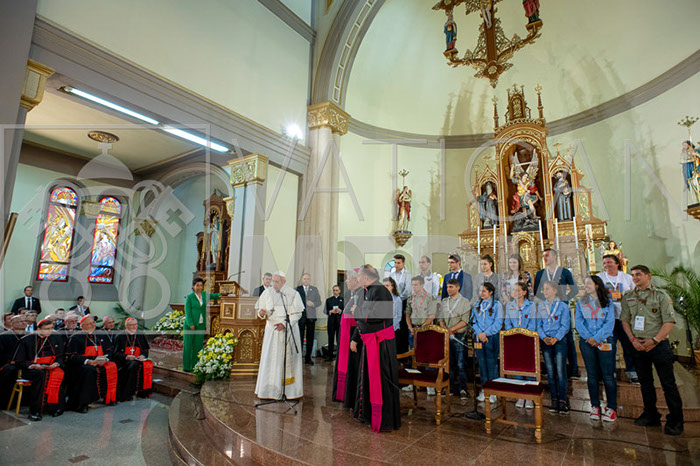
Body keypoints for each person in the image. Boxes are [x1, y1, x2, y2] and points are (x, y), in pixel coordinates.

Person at [621, 265, 683, 436]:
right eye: (633, 275)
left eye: (638, 275)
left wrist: (655, 340)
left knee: (668, 384)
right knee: (645, 382)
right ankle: (650, 414)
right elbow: (625, 320)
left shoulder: (661, 296)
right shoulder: (628, 297)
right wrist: (633, 340)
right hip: (638, 345)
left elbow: (669, 322)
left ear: (648, 276)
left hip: (658, 345)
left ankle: (676, 420)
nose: (635, 278)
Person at [350, 265, 400, 433]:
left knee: (381, 381)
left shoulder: (380, 291)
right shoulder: (369, 290)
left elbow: (376, 315)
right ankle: (368, 414)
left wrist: (356, 311)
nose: (357, 280)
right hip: (371, 342)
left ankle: (383, 419)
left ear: (366, 277)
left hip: (381, 345)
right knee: (368, 379)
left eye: (359, 277)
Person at [254, 271, 305, 400]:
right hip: (272, 331)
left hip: (287, 330)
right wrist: (261, 313)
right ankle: (269, 392)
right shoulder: (267, 293)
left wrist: (285, 324)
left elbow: (298, 313)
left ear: (283, 282)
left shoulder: (293, 294)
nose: (273, 284)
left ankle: (290, 392)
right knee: (271, 361)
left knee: (286, 362)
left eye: (276, 282)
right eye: (273, 281)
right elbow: (260, 311)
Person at [576, 276, 617, 422]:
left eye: (589, 283)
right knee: (592, 375)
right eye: (585, 283)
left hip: (604, 341)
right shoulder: (582, 302)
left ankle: (611, 408)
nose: (586, 286)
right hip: (587, 342)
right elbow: (579, 322)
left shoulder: (608, 302)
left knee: (608, 375)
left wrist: (597, 338)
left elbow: (609, 323)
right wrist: (589, 338)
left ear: (597, 285)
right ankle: (595, 406)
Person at [534, 249, 579, 379]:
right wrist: (545, 302)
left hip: (561, 308)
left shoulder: (564, 272)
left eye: (547, 255)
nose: (545, 258)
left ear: (555, 256)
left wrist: (565, 299)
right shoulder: (540, 273)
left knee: (567, 337)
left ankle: (573, 368)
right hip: (547, 309)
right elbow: (536, 291)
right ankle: (549, 368)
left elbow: (575, 289)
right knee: (546, 338)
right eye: (543, 256)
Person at [14, 318, 66, 420]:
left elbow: (60, 356)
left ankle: (54, 407)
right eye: (46, 329)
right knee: (40, 374)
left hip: (50, 367)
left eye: (51, 328)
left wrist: (57, 363)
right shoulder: (26, 340)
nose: (50, 331)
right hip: (31, 370)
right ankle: (35, 410)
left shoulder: (56, 338)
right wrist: (34, 365)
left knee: (60, 372)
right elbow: (19, 361)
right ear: (38, 329)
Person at [597, 254, 637, 384]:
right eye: (604, 263)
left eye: (609, 262)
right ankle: (610, 373)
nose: (606, 265)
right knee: (609, 347)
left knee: (629, 346)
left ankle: (632, 373)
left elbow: (635, 294)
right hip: (607, 318)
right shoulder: (600, 278)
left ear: (617, 263)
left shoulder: (627, 278)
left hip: (625, 317)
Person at [66, 316, 119, 413]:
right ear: (81, 326)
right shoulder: (75, 337)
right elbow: (71, 356)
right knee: (89, 370)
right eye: (89, 324)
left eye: (93, 323)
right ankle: (83, 404)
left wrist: (106, 359)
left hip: (101, 362)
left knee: (112, 366)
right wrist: (88, 361)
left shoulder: (100, 334)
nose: (92, 325)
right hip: (83, 364)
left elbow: (109, 350)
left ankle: (109, 398)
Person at [537, 280, 571, 414]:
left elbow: (565, 325)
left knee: (560, 371)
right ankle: (554, 400)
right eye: (544, 289)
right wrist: (544, 337)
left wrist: (556, 338)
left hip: (559, 340)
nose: (545, 291)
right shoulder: (541, 306)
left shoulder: (562, 306)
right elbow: (538, 324)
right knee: (550, 372)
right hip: (546, 341)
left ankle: (563, 400)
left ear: (555, 291)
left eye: (547, 289)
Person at [504, 281, 537, 409]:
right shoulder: (509, 305)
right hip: (514, 340)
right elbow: (507, 322)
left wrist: (525, 334)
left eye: (518, 290)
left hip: (527, 339)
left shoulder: (531, 305)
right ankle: (520, 395)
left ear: (524, 292)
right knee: (517, 368)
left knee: (529, 367)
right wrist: (512, 333)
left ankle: (530, 396)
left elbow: (533, 323)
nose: (515, 292)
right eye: (513, 290)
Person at [404, 275, 438, 394]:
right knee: (414, 356)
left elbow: (432, 315)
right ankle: (415, 381)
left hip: (425, 329)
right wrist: (410, 327)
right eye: (412, 285)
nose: (414, 287)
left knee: (427, 356)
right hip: (413, 329)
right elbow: (407, 313)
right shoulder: (410, 298)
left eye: (416, 285)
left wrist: (422, 327)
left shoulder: (429, 298)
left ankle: (429, 384)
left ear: (422, 285)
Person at [333, 270, 362, 407]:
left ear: (356, 280)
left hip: (353, 336)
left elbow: (360, 319)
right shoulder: (352, 294)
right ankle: (343, 394)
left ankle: (350, 397)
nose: (346, 281)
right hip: (345, 336)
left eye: (348, 278)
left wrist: (354, 338)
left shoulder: (361, 294)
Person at [439, 278, 471, 400]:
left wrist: (451, 329)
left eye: (451, 287)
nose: (448, 289)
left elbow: (465, 320)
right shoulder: (444, 301)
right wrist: (445, 330)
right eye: (447, 287)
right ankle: (449, 386)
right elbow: (441, 319)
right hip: (447, 335)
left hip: (459, 335)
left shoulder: (465, 302)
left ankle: (463, 388)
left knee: (460, 363)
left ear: (458, 287)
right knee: (449, 362)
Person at [472, 283, 503, 404]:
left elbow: (498, 323)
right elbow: (473, 321)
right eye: (481, 291)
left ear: (491, 292)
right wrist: (479, 333)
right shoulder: (477, 305)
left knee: (491, 364)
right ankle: (484, 389)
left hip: (491, 337)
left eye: (484, 291)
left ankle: (493, 391)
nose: (482, 293)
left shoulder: (497, 305)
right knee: (482, 364)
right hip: (479, 338)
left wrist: (486, 333)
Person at [183, 277, 220, 372]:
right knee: (188, 346)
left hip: (200, 324)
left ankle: (195, 366)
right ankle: (187, 367)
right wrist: (190, 323)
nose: (199, 287)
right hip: (190, 325)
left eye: (201, 285)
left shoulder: (204, 294)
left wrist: (224, 294)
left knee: (198, 346)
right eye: (197, 285)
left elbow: (214, 296)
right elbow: (187, 312)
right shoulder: (190, 297)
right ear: (193, 286)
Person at [112, 317, 152, 401]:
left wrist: (143, 356)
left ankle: (142, 392)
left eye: (135, 325)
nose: (134, 327)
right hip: (123, 362)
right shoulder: (120, 336)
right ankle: (127, 393)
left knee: (147, 365)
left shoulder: (140, 335)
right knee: (134, 365)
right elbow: (116, 353)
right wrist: (126, 356)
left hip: (138, 359)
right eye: (131, 325)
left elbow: (145, 350)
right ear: (126, 326)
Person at [296, 273, 322, 365]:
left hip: (311, 317)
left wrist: (313, 304)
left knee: (310, 338)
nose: (306, 280)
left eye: (308, 279)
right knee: (299, 337)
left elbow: (319, 302)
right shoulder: (297, 289)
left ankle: (308, 358)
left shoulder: (314, 289)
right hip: (301, 317)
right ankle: (298, 358)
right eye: (304, 278)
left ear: (310, 280)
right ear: (302, 279)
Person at [0, 315, 25, 408]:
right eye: (21, 321)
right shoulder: (4, 336)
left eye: (25, 321)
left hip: (24, 363)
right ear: (13, 324)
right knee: (11, 371)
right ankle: (7, 402)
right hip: (7, 363)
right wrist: (12, 361)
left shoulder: (28, 336)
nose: (24, 323)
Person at [390, 254, 412, 354]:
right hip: (393, 302)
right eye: (395, 262)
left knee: (403, 326)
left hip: (403, 301)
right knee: (394, 325)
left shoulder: (407, 275)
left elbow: (408, 290)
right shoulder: (391, 275)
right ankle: (394, 351)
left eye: (398, 263)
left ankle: (403, 352)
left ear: (403, 264)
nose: (396, 265)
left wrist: (399, 298)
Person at [324, 285, 344, 361]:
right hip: (331, 321)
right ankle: (330, 356)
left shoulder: (343, 300)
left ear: (339, 291)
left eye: (336, 290)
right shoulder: (328, 300)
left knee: (339, 339)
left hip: (340, 322)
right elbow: (325, 311)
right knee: (330, 339)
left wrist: (340, 311)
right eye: (334, 290)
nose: (335, 292)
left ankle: (340, 356)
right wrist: (330, 311)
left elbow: (346, 310)